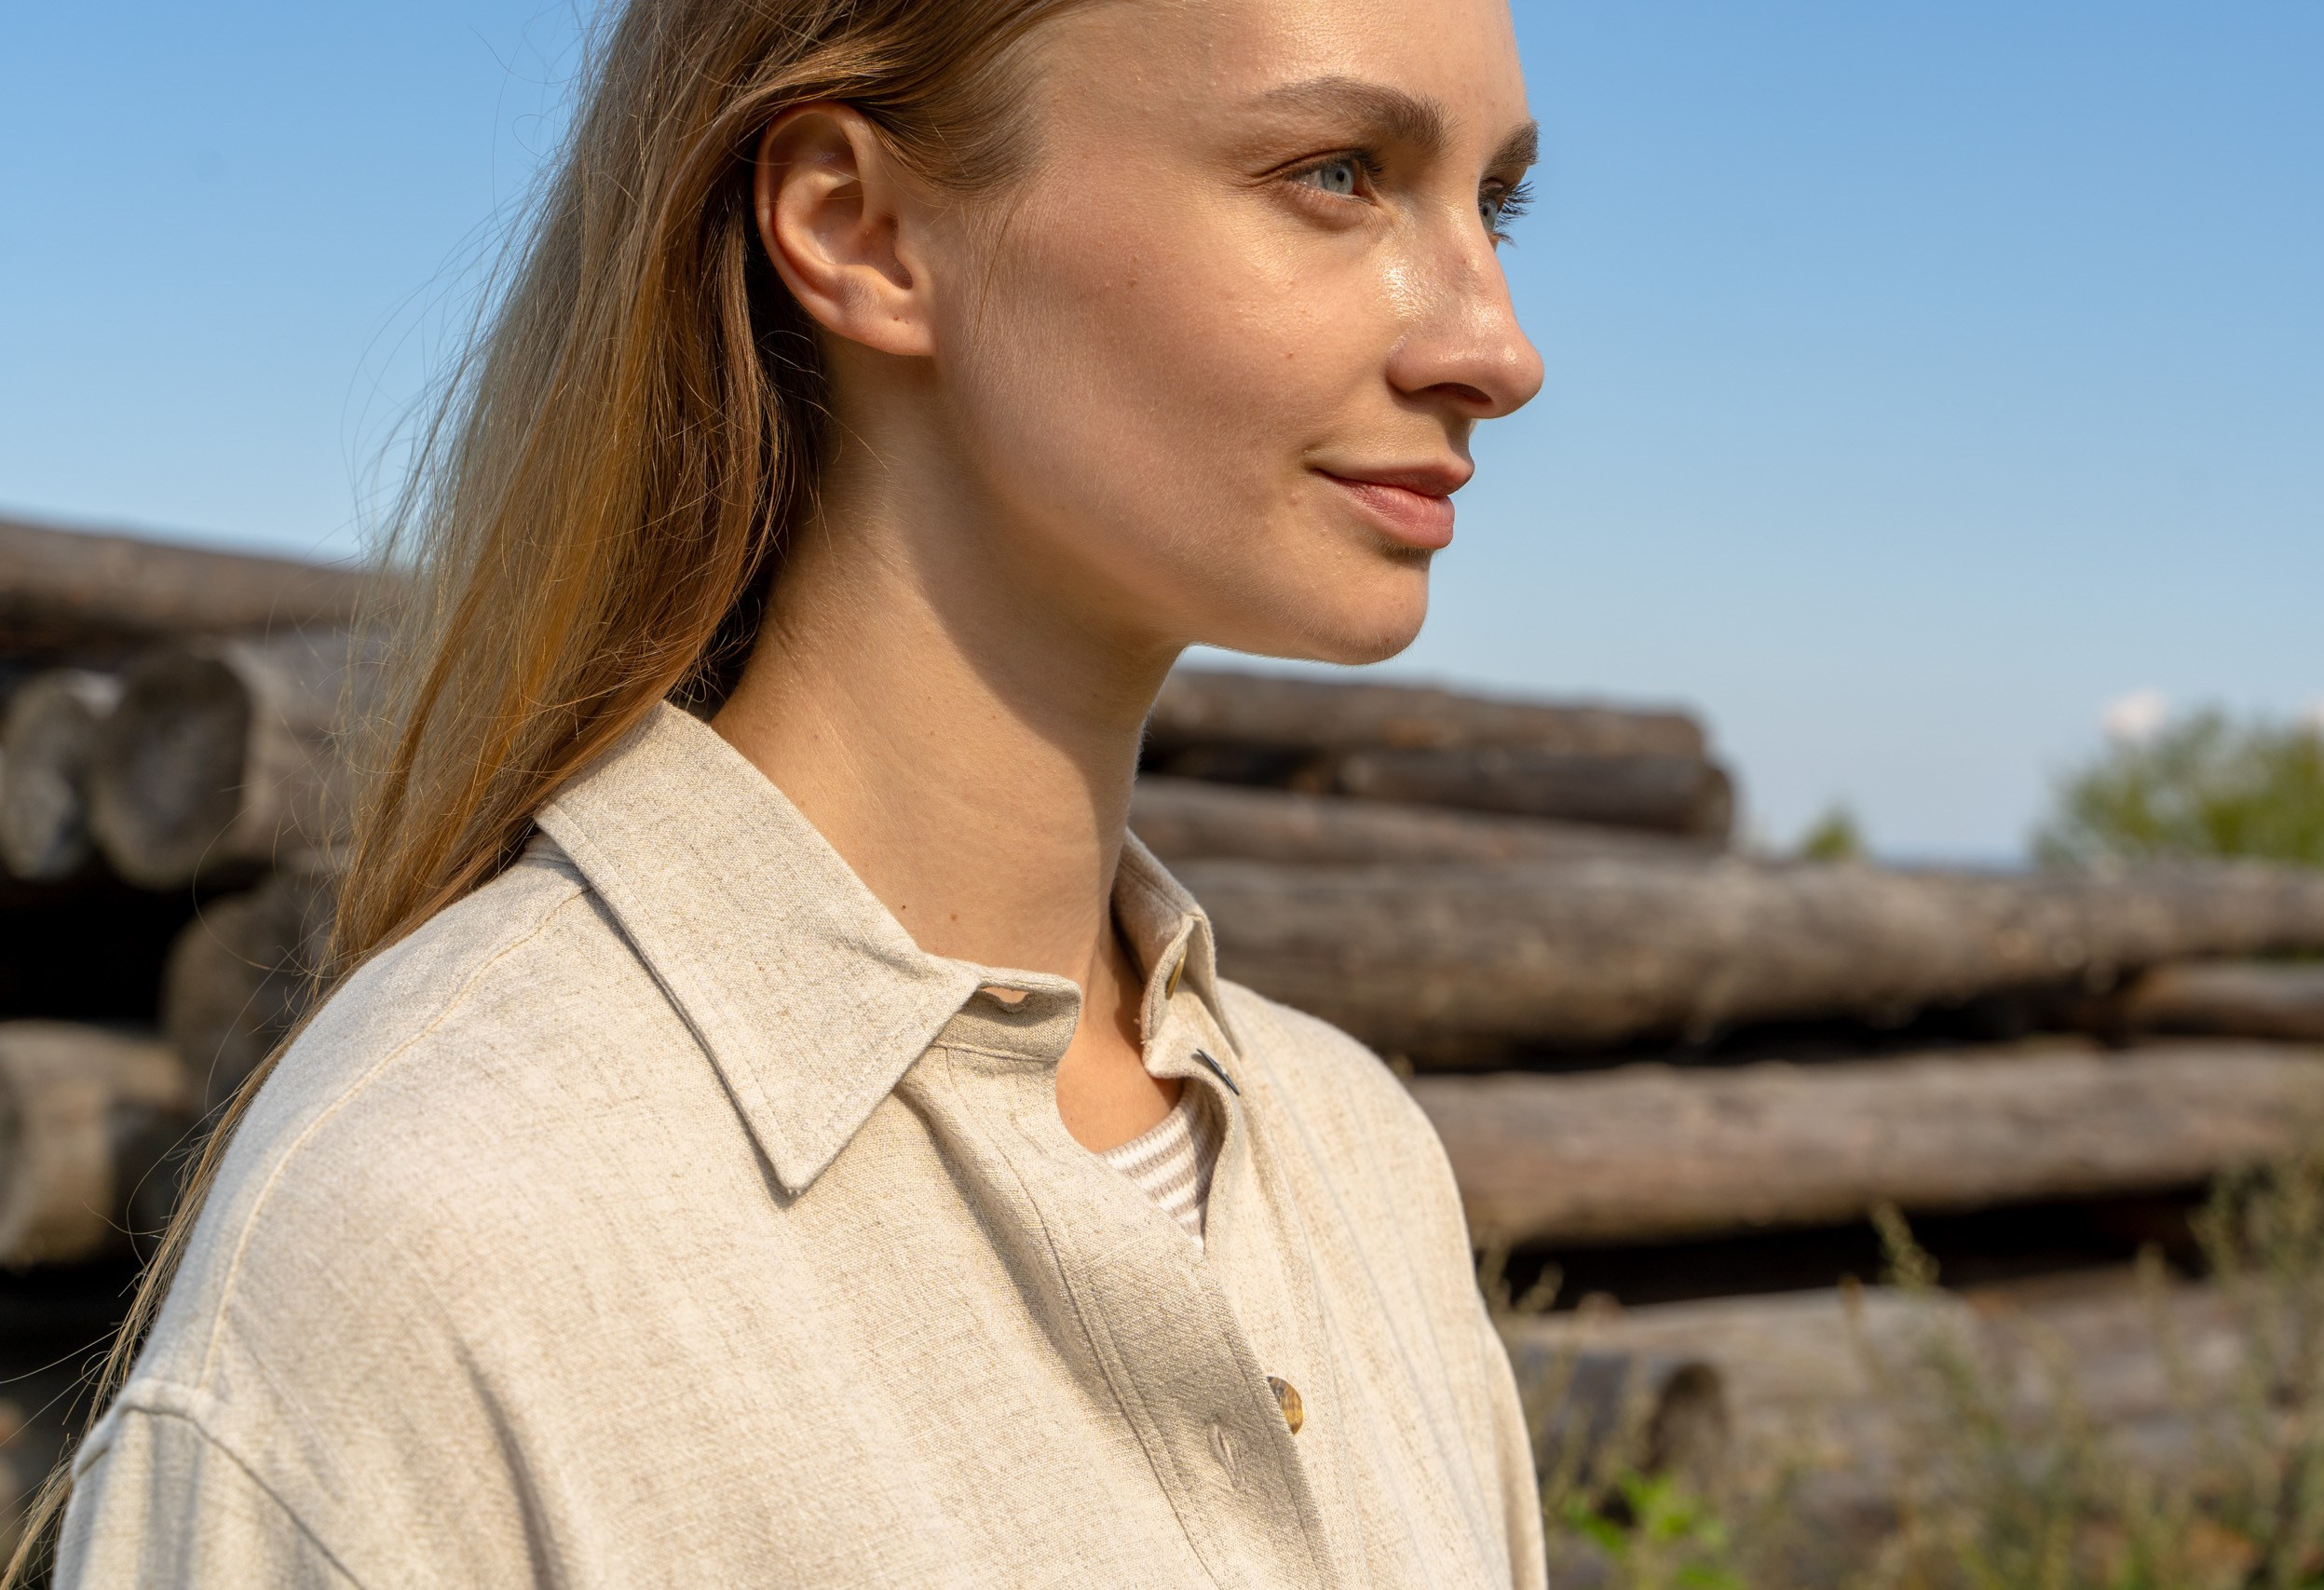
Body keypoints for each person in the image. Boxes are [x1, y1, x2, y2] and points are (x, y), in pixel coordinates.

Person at [32, 0, 1545, 1581]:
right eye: (1336, 174)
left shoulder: (1358, 1161)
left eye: (1495, 203)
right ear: (860, 230)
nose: (1498, 346)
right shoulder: (433, 1241)